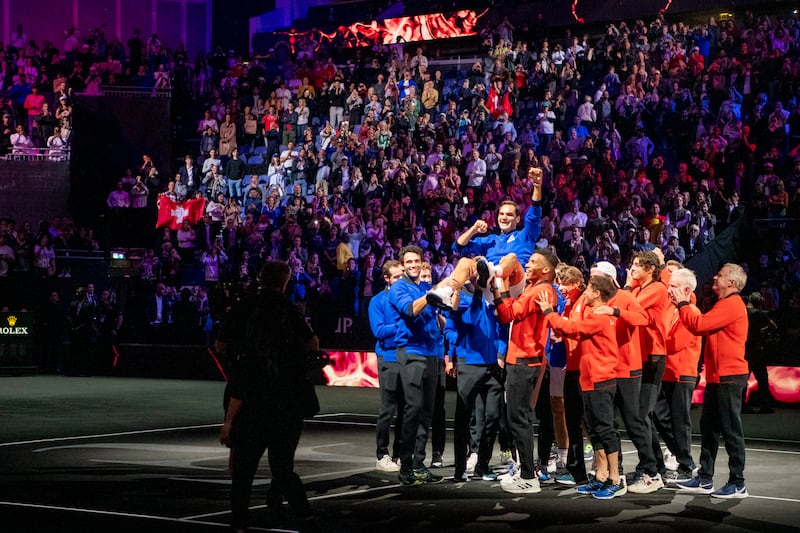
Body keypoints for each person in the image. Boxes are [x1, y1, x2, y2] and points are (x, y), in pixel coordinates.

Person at [218, 260, 319, 531]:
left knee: (243, 470)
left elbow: (221, 345)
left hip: (251, 404)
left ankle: (239, 521)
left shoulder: (244, 310)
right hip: (287, 404)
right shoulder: (290, 311)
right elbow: (313, 343)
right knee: (283, 467)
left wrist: (228, 422)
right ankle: (303, 514)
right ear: (285, 282)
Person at [537, 275, 625, 499]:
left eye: (589, 290)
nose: (585, 292)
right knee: (595, 429)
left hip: (601, 379)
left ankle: (615, 477)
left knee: (604, 429)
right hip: (590, 379)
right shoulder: (596, 314)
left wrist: (548, 312)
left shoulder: (601, 317)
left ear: (597, 293)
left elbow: (573, 328)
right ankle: (601, 475)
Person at [671, 263, 749, 499]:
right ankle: (705, 477)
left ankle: (738, 482)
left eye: (721, 275)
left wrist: (683, 304)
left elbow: (699, 325)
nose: (715, 277)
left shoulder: (732, 304)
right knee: (710, 428)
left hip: (729, 376)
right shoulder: (724, 304)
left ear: (732, 283)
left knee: (730, 430)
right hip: (718, 376)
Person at [492, 248, 559, 494]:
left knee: (519, 419)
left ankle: (529, 476)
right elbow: (509, 313)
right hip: (520, 359)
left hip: (525, 360)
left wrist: (499, 286)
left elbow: (510, 313)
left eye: (533, 262)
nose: (528, 265)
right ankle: (524, 471)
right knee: (516, 418)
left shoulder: (542, 290)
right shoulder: (533, 289)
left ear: (546, 270)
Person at [389, 245, 445, 485]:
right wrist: (430, 297)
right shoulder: (399, 288)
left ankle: (419, 463)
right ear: (402, 265)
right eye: (409, 261)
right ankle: (406, 464)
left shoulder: (423, 287)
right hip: (411, 352)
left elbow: (443, 312)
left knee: (426, 412)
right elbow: (410, 310)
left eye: (417, 261)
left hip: (432, 353)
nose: (413, 265)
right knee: (412, 408)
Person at [445, 268, 504, 482]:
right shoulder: (462, 300)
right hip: (469, 364)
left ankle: (483, 464)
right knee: (464, 417)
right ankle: (460, 467)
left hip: (492, 367)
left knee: (493, 417)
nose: (479, 280)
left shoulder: (493, 300)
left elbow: (503, 328)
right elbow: (451, 328)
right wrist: (457, 345)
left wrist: (501, 353)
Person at [369, 259, 405, 472]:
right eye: (397, 276)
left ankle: (400, 453)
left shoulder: (408, 296)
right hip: (389, 358)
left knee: (406, 409)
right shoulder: (377, 301)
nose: (401, 279)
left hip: (407, 357)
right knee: (388, 409)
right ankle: (382, 454)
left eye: (402, 275)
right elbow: (379, 331)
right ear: (387, 278)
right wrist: (403, 324)